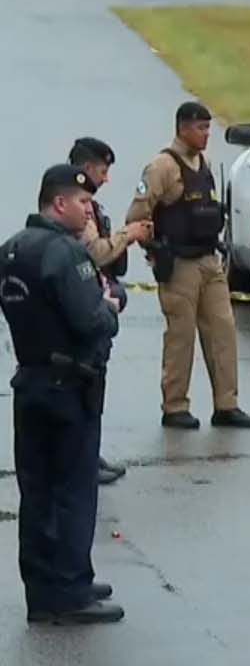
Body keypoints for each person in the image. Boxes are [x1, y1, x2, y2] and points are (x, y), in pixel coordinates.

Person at [0, 164, 126, 624]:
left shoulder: (12, 249)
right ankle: (70, 590)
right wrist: (112, 305)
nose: (89, 210)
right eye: (83, 202)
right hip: (70, 386)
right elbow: (92, 320)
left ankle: (43, 589)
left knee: (37, 493)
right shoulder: (64, 253)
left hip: (31, 380)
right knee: (72, 491)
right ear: (59, 203)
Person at [127, 101, 250, 430]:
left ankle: (226, 404)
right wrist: (155, 249)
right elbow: (137, 216)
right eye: (201, 128)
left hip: (209, 261)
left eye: (208, 128)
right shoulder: (162, 167)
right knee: (181, 336)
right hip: (180, 265)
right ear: (183, 128)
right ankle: (175, 406)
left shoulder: (204, 163)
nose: (206, 135)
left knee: (223, 332)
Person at [69, 137, 152, 485]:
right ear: (87, 168)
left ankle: (90, 453)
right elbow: (97, 253)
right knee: (84, 390)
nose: (106, 179)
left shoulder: (86, 205)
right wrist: (127, 235)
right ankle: (82, 459)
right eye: (102, 171)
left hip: (96, 303)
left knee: (94, 389)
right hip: (85, 308)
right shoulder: (77, 208)